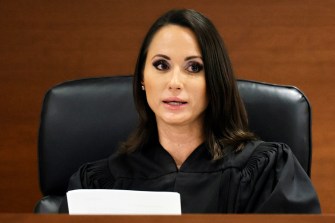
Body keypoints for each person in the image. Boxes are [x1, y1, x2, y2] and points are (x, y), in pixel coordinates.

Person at [60, 9, 321, 213]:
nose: (175, 82)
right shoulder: (97, 183)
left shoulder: (267, 172)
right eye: (161, 65)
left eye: (194, 68)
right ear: (142, 77)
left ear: (215, 80)